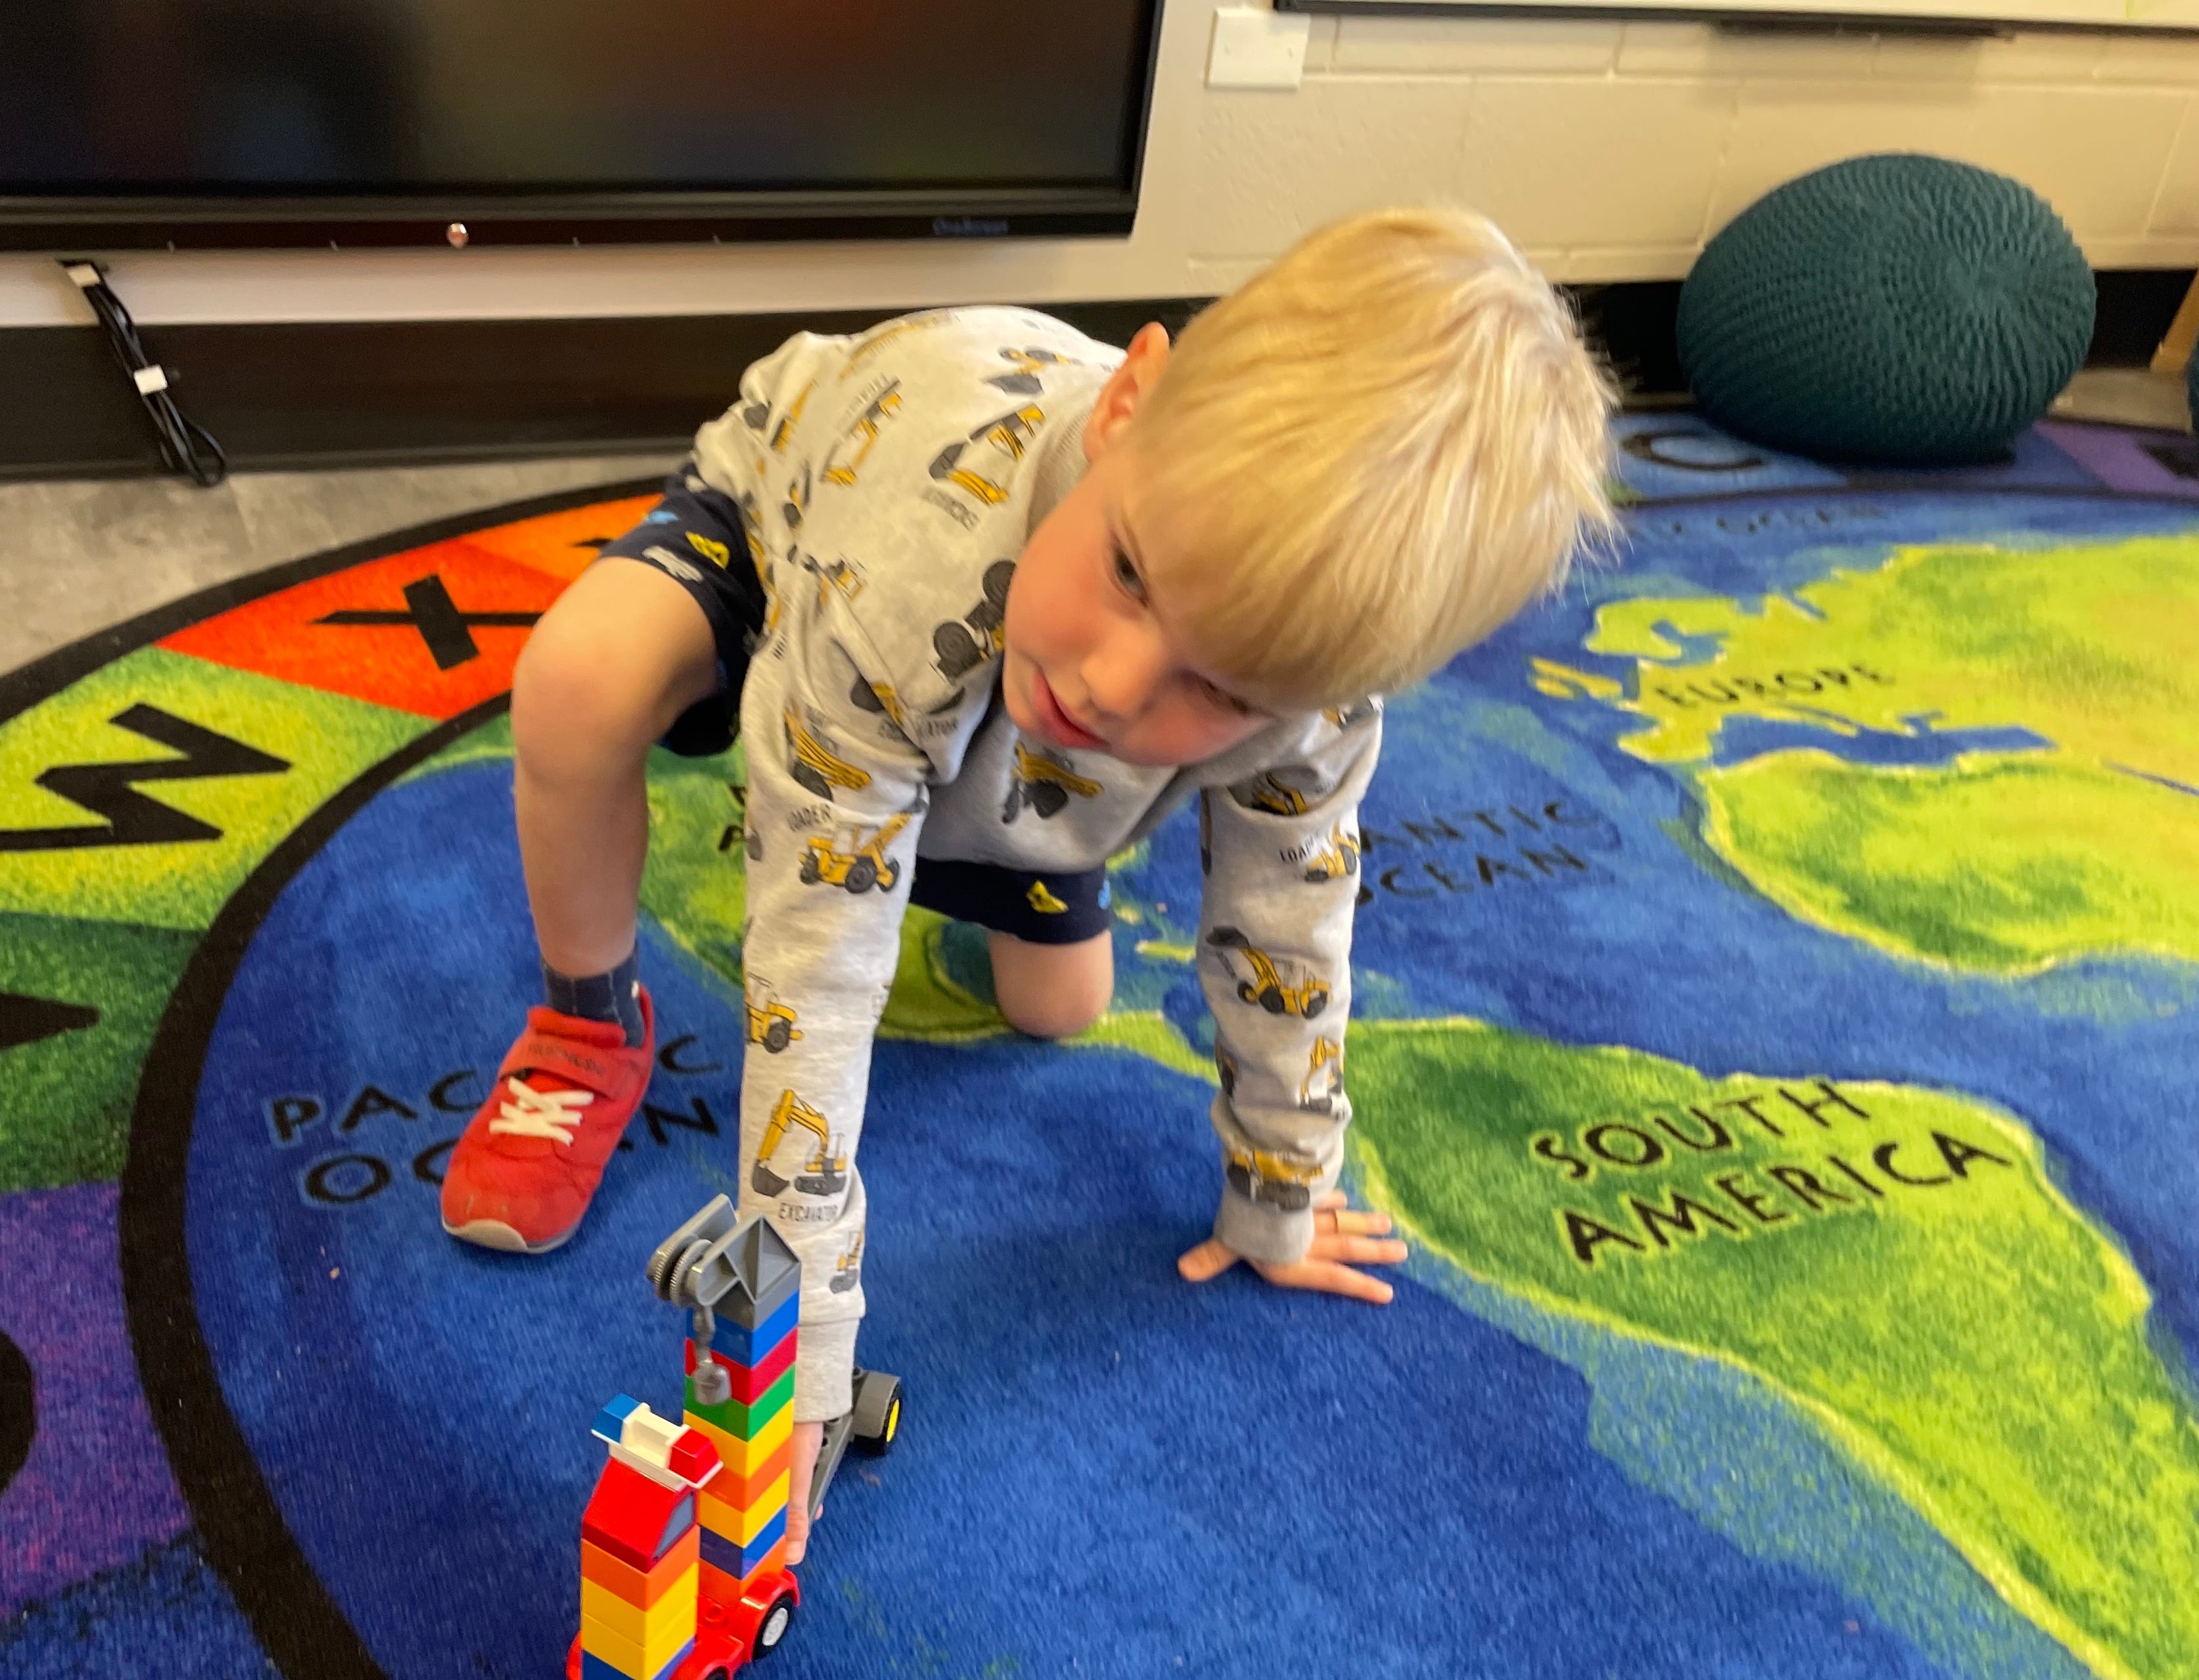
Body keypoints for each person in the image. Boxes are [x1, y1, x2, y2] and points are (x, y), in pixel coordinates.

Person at [438, 207, 1615, 1560]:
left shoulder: (1311, 706)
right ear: (1129, 404)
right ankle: (588, 1019)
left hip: (992, 706)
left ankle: (950, 793)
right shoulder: (907, 571)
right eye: (1129, 572)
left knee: (1056, 1005)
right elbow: (813, 982)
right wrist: (794, 1373)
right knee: (579, 687)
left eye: (1219, 689)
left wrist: (1283, 1183)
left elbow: (1291, 919)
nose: (1118, 681)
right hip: (803, 518)